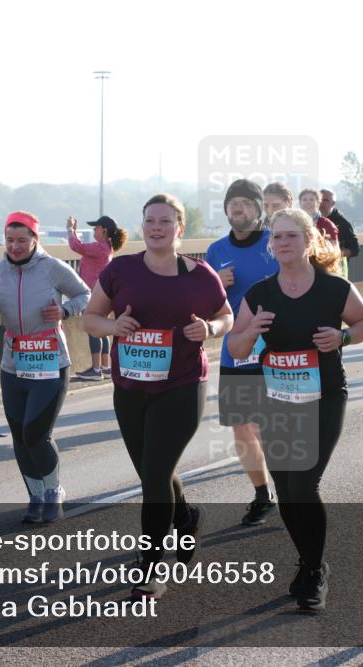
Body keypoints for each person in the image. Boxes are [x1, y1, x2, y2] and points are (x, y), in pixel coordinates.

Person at [83, 193, 233, 600]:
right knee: (154, 474)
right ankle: (186, 518)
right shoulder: (120, 270)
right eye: (150, 220)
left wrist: (210, 329)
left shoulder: (200, 275)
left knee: (153, 476)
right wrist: (113, 328)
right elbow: (90, 319)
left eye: (165, 221)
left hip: (182, 385)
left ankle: (150, 568)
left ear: (179, 228)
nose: (156, 227)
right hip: (130, 388)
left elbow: (226, 316)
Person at [229, 207, 363, 610]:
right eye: (276, 237)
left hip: (324, 397)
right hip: (277, 400)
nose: (282, 243)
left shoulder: (334, 288)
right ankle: (310, 561)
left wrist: (343, 337)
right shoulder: (260, 294)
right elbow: (236, 348)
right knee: (286, 491)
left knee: (303, 485)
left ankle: (313, 572)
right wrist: (251, 331)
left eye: (291, 235)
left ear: (309, 241)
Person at [0, 211, 90, 523]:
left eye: (22, 240)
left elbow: (85, 294)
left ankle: (53, 491)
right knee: (19, 436)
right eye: (9, 240)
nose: (15, 246)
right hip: (13, 363)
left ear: (35, 239)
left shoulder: (53, 268)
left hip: (50, 361)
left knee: (36, 433)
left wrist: (64, 310)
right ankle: (35, 496)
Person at [205, 179, 280, 527]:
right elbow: (206, 307)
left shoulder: (275, 242)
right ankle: (263, 495)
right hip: (236, 350)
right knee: (241, 426)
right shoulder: (216, 251)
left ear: (259, 209)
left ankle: (293, 489)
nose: (238, 207)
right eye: (233, 202)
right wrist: (216, 285)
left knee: (271, 426)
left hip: (276, 348)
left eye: (246, 203)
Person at [67, 214, 128, 380]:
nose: (94, 230)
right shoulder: (106, 247)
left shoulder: (100, 248)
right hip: (102, 294)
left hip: (93, 294)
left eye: (96, 227)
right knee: (102, 329)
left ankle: (95, 369)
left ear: (104, 230)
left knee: (93, 329)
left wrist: (70, 230)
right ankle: (105, 367)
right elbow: (82, 247)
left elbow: (76, 246)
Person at [319, 188, 361, 277]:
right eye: (319, 199)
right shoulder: (310, 220)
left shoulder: (343, 224)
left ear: (333, 204)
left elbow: (355, 249)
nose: (321, 203)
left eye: (325, 200)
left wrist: (334, 254)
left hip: (336, 273)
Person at [297, 189, 341, 260]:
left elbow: (335, 250)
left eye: (311, 200)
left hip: (320, 262)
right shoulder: (293, 223)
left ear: (318, 203)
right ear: (300, 203)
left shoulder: (327, 224)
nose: (308, 202)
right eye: (304, 200)